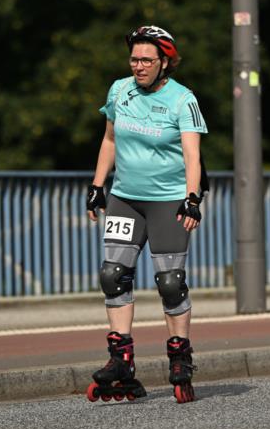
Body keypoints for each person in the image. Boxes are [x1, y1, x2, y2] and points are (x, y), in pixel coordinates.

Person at [86, 25, 208, 404]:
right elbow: (109, 138)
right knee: (113, 274)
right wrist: (97, 186)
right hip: (125, 197)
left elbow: (192, 155)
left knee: (170, 282)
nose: (138, 66)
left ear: (164, 63)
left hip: (168, 202)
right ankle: (120, 360)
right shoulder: (119, 90)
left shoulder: (182, 99)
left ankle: (179, 357)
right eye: (134, 58)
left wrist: (192, 198)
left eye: (146, 60)